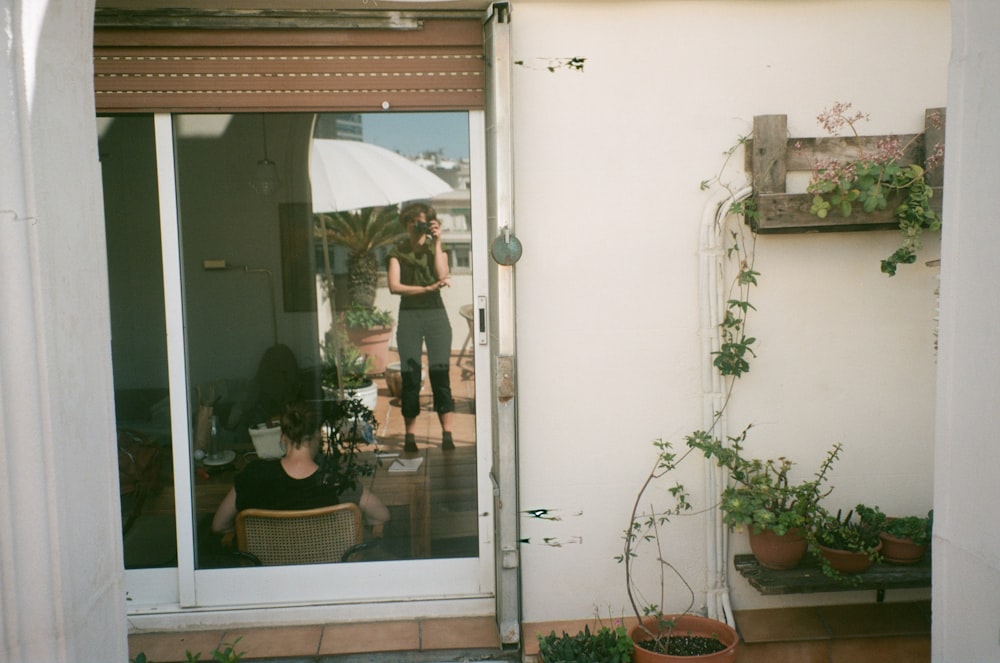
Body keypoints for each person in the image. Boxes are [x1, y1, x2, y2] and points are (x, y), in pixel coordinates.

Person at [212, 401, 389, 535]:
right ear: (317, 437)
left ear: (282, 437)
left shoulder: (254, 475)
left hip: (269, 578)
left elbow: (218, 525)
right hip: (322, 574)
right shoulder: (333, 479)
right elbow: (381, 515)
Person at [387, 202, 455, 452]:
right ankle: (410, 435)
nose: (418, 227)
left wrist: (437, 242)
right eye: (413, 222)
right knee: (410, 376)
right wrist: (424, 289)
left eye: (422, 222)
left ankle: (447, 433)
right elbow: (394, 286)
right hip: (410, 316)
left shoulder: (437, 248)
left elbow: (442, 274)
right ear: (406, 224)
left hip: (436, 315)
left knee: (440, 373)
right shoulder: (398, 252)